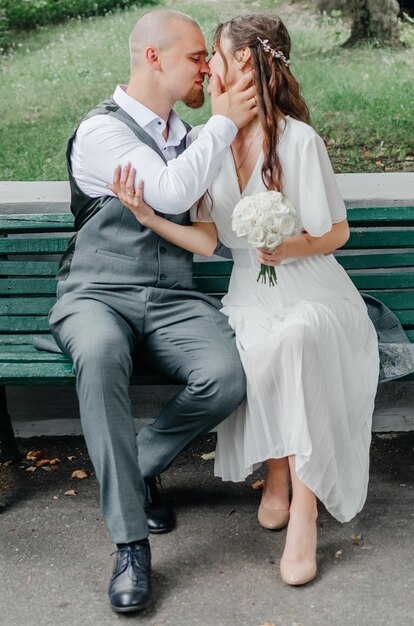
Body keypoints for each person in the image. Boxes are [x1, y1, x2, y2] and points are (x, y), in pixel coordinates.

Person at [109, 13, 380, 588]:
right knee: (258, 344)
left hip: (313, 289)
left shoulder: (299, 141)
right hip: (247, 296)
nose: (207, 67)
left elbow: (337, 234)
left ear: (246, 67)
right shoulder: (209, 144)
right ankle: (276, 473)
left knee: (300, 334)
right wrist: (148, 215)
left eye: (217, 57)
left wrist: (290, 245)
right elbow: (209, 238)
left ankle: (303, 509)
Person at [48, 9, 258, 614]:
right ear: (153, 58)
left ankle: (135, 464)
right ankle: (131, 545)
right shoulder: (102, 131)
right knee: (100, 351)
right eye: (197, 57)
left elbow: (215, 210)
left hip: (171, 301)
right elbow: (168, 193)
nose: (205, 69)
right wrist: (219, 126)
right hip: (97, 295)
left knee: (226, 376)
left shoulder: (189, 136)